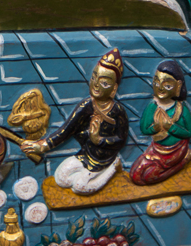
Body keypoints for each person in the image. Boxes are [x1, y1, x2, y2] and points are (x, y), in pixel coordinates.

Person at [20, 49, 128, 194]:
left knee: (79, 187)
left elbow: (121, 139)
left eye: (104, 83)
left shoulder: (117, 111)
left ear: (114, 88)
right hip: (85, 156)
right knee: (61, 178)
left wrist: (99, 140)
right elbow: (67, 130)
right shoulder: (86, 106)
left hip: (104, 159)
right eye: (94, 78)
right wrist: (44, 145)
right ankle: (86, 176)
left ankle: (113, 168)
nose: (96, 84)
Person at [129, 60, 191, 186]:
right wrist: (156, 127)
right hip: (156, 149)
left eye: (167, 86)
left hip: (176, 150)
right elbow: (144, 129)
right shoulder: (152, 106)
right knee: (135, 174)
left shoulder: (180, 108)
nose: (161, 88)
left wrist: (171, 127)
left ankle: (183, 161)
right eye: (157, 83)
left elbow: (188, 133)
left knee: (148, 176)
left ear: (178, 86)